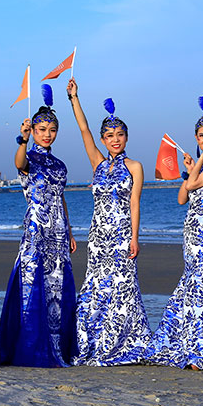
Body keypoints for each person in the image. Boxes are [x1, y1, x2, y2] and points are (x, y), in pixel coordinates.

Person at [66, 78, 151, 366]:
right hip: (98, 237)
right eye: (110, 135)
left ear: (126, 137)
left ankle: (123, 341)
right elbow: (84, 130)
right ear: (103, 140)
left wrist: (135, 238)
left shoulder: (135, 166)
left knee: (123, 287)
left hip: (122, 236)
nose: (115, 139)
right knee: (96, 286)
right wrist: (74, 98)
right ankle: (93, 339)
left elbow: (135, 203)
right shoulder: (98, 164)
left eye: (120, 135)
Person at [145, 94, 203, 370]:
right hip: (190, 232)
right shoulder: (201, 167)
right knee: (192, 283)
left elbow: (193, 187)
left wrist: (200, 164)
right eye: (202, 136)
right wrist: (191, 169)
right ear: (196, 137)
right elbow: (183, 197)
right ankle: (186, 344)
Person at [0, 84, 78, 367]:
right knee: (33, 282)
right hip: (36, 230)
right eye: (41, 129)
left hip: (58, 231)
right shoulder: (28, 158)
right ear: (32, 131)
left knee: (56, 286)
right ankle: (30, 345)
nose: (47, 134)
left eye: (52, 130)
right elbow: (18, 163)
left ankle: (56, 344)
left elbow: (61, 197)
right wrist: (21, 140)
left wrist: (69, 230)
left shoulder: (60, 165)